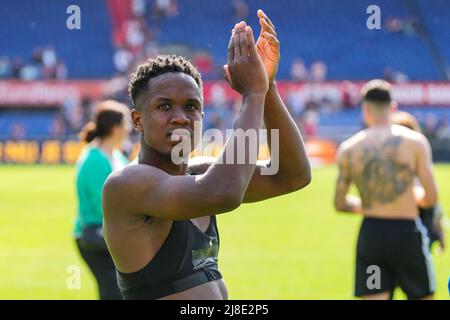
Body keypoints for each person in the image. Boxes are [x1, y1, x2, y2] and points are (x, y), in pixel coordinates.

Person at [102, 10, 311, 300]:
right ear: (137, 120)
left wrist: (268, 87)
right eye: (164, 107)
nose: (180, 117)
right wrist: (253, 95)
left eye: (191, 106)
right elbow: (224, 192)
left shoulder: (201, 175)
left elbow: (292, 175)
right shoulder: (127, 184)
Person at [334, 80, 438, 300]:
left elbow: (340, 203)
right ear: (393, 108)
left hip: (372, 236)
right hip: (406, 235)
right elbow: (431, 198)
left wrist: (373, 203)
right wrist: (405, 199)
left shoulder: (349, 149)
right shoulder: (415, 143)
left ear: (365, 110)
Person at [74, 100, 131, 300]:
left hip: (110, 233)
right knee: (114, 293)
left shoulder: (115, 156)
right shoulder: (94, 158)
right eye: (126, 125)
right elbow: (103, 203)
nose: (128, 130)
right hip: (95, 235)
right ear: (115, 128)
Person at [391, 111, 445, 251]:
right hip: (412, 225)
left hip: (413, 225)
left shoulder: (417, 161)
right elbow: (433, 199)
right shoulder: (419, 157)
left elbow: (432, 199)